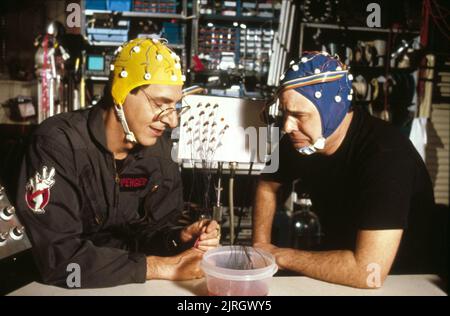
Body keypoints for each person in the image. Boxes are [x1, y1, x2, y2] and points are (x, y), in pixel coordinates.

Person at [16, 38, 220, 288]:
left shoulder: (160, 151)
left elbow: (149, 238)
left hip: (126, 286)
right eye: (160, 104)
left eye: (175, 106)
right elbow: (60, 262)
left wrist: (179, 237)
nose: (173, 121)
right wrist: (161, 267)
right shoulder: (57, 144)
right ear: (119, 94)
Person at [253, 51, 436, 289]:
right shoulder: (301, 138)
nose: (287, 126)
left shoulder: (386, 154)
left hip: (404, 279)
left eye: (299, 115)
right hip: (341, 263)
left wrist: (276, 255)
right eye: (285, 113)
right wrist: (260, 248)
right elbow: (267, 185)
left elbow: (369, 273)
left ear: (332, 111)